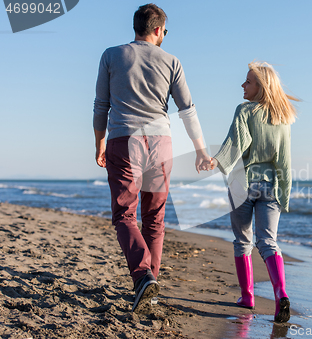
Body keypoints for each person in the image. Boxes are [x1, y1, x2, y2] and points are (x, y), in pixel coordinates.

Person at [93, 4, 211, 313]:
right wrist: (200, 150)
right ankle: (150, 286)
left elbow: (100, 105)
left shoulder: (111, 55)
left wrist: (99, 143)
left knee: (124, 215)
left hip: (124, 140)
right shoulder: (172, 61)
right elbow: (188, 110)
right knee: (155, 218)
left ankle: (144, 276)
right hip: (162, 143)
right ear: (158, 30)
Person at [210, 61, 299, 323]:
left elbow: (237, 143)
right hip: (270, 186)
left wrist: (215, 161)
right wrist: (285, 193)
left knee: (242, 240)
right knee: (268, 241)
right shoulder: (283, 119)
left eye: (248, 81)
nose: (243, 85)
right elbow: (285, 161)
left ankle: (248, 296)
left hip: (242, 183)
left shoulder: (245, 110)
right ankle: (280, 293)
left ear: (260, 87)